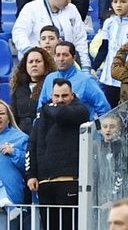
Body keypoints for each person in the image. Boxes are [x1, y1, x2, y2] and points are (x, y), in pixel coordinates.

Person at [28, 79, 88, 230]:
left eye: (65, 96)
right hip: (45, 184)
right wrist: (31, 174)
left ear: (73, 95)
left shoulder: (80, 111)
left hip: (69, 181)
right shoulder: (42, 116)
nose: (60, 100)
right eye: (56, 96)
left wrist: (47, 107)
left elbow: (61, 114)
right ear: (51, 95)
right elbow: (32, 145)